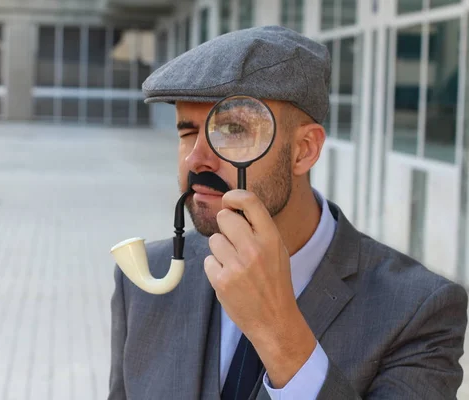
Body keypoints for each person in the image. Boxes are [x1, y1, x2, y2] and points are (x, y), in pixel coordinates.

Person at [107, 25, 468, 399]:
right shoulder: (145, 281)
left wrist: (277, 330)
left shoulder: (418, 311)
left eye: (231, 129)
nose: (197, 159)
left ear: (304, 150)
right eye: (187, 132)